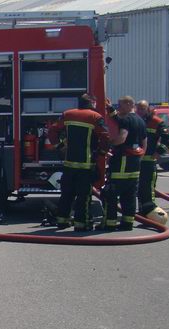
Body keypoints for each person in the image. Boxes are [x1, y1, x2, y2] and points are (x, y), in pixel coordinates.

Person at [48, 94, 110, 231]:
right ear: (91, 103)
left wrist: (59, 146)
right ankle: (82, 224)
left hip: (69, 164)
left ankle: (62, 221)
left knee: (67, 194)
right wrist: (102, 152)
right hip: (86, 165)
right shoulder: (95, 117)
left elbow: (52, 130)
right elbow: (106, 136)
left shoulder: (67, 114)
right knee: (84, 196)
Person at [101, 96, 148, 231]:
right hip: (135, 164)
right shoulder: (140, 120)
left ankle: (110, 224)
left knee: (110, 193)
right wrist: (110, 108)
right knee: (129, 195)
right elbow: (144, 143)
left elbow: (122, 138)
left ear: (128, 104)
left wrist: (109, 145)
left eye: (120, 105)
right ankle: (127, 223)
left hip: (122, 163)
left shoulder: (127, 120)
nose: (118, 108)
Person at [135, 100, 169, 217]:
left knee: (147, 188)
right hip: (134, 160)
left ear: (148, 109)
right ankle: (142, 211)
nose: (140, 111)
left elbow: (168, 137)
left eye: (142, 109)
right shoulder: (134, 120)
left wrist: (159, 151)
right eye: (138, 108)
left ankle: (149, 212)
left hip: (148, 161)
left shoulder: (156, 122)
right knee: (137, 188)